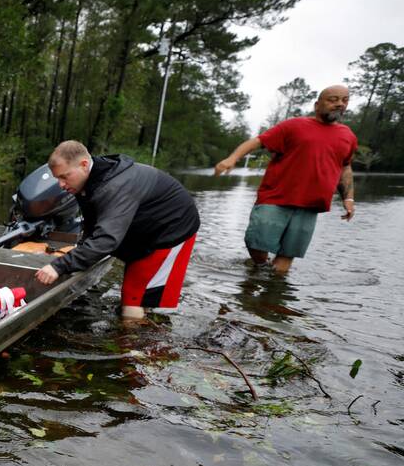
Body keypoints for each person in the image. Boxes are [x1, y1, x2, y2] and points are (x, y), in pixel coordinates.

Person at [35, 140, 200, 320]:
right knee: (136, 294)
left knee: (133, 299)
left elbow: (106, 240)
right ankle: (141, 325)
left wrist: (59, 266)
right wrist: (80, 251)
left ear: (83, 165)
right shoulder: (90, 180)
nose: (60, 184)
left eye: (64, 176)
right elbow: (93, 224)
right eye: (57, 178)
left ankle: (132, 345)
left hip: (171, 227)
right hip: (144, 226)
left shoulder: (113, 187)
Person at [214, 84, 358, 274]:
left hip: (311, 205)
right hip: (276, 198)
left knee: (287, 255)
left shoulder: (348, 135)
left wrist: (348, 198)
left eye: (344, 100)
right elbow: (258, 141)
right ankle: (259, 268)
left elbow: (345, 166)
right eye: (333, 100)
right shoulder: (294, 126)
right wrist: (232, 158)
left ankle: (270, 296)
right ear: (317, 105)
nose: (340, 104)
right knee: (255, 241)